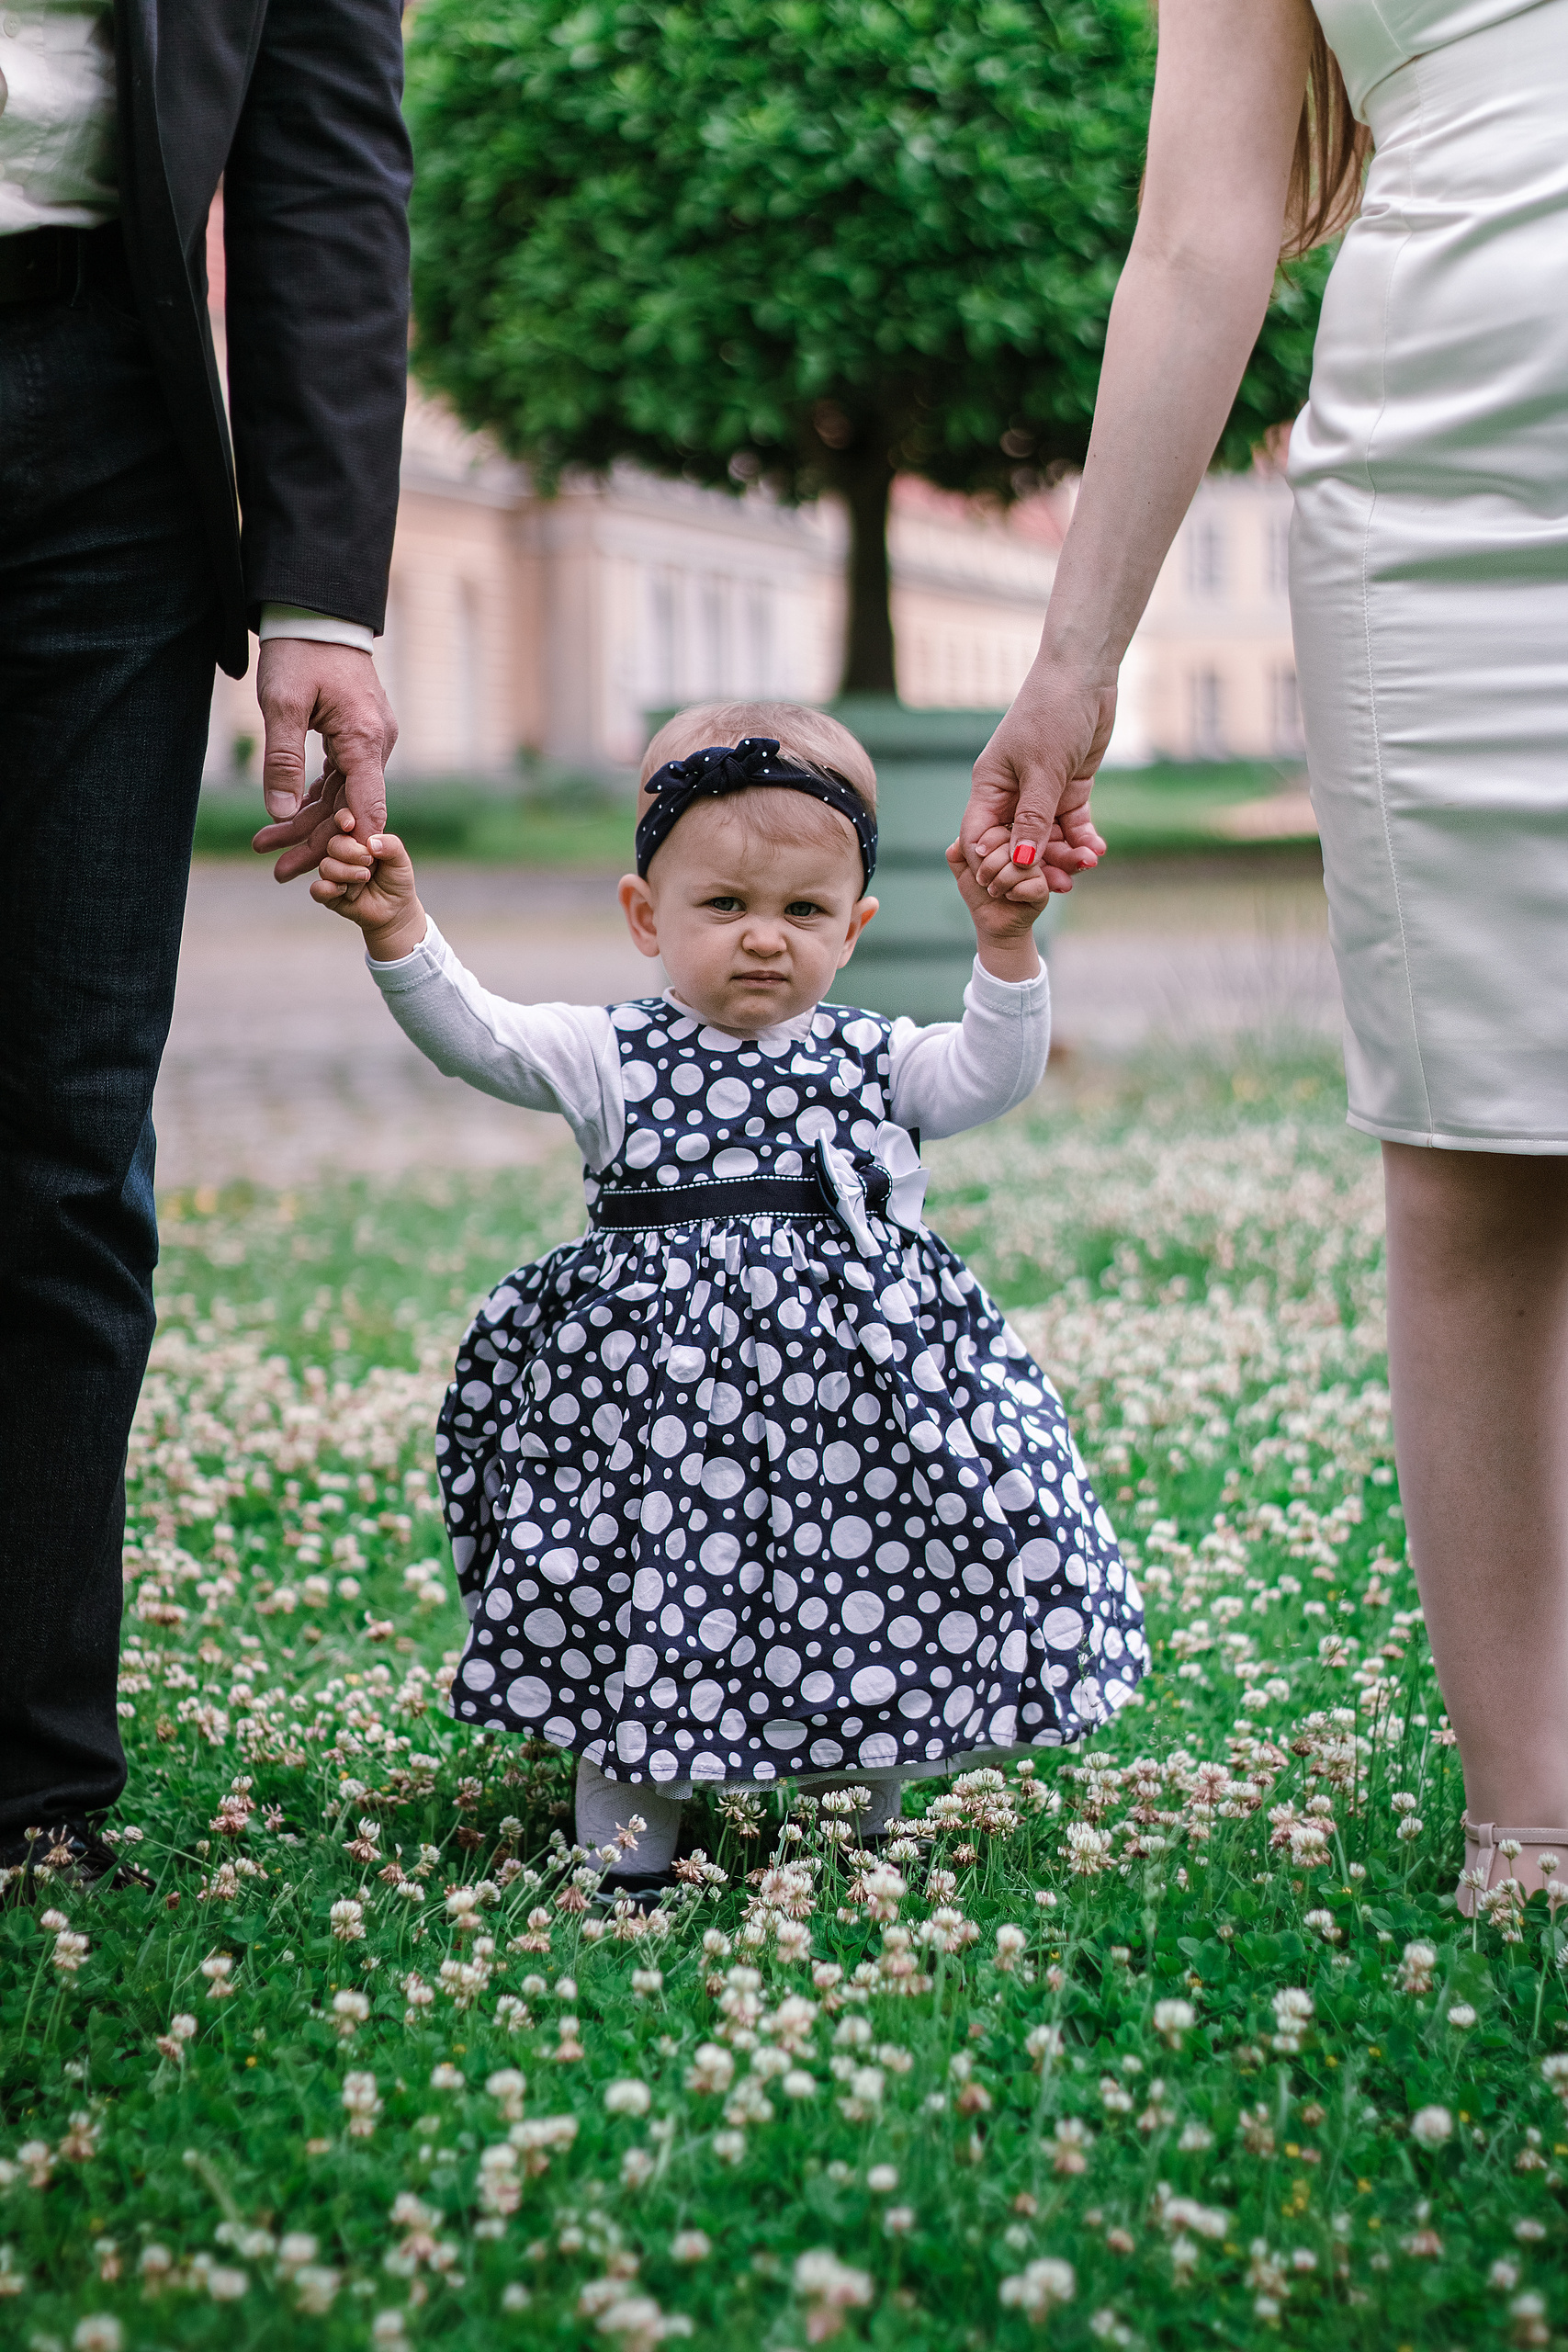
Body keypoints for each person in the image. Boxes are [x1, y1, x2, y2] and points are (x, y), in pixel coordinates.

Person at [961, 0, 1568, 1912]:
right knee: (1470, 1144)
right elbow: (1199, 230)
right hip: (1444, 481)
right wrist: (1073, 657)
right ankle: (1531, 1824)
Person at [310, 701, 1145, 1882]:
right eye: (725, 907)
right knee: (648, 1603)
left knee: (873, 1585)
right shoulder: (612, 1053)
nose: (765, 939)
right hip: (661, 1425)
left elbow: (991, 1074)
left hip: (852, 1422)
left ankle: (864, 1826)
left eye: (803, 911)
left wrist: (1007, 949)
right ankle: (628, 1854)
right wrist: (400, 930)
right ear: (646, 916)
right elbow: (479, 1040)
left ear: (853, 927)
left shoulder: (877, 1056)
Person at [0, 1, 410, 1895]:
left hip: (108, 412)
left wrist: (320, 582)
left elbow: (321, 140)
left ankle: (27, 1791)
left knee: (66, 1138)